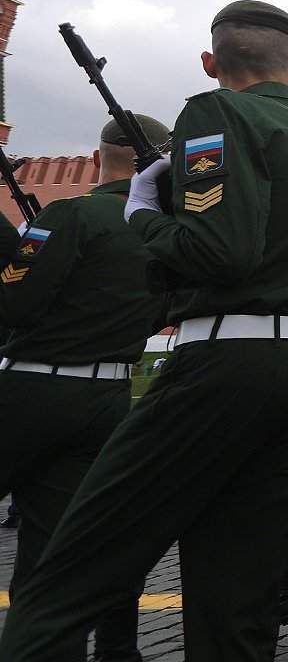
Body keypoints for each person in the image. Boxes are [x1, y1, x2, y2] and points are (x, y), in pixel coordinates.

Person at [1, 0, 288, 661]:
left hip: (225, 368)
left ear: (211, 63)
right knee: (236, 597)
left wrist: (145, 213)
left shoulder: (214, 112)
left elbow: (220, 253)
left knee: (68, 573)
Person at [0, 113, 173, 662]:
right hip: (109, 397)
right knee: (53, 556)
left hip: (31, 390)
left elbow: (15, 305)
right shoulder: (167, 231)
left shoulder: (72, 213)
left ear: (98, 158)